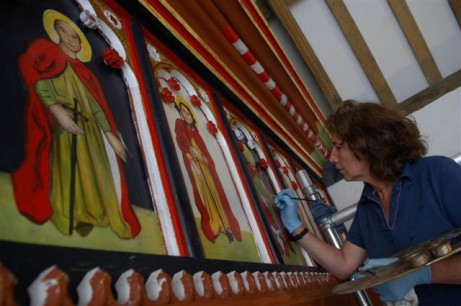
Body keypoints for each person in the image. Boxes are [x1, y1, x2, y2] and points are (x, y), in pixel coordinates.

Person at [275, 100, 461, 305]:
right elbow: (344, 265)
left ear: (368, 144)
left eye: (338, 147)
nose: (332, 158)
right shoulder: (368, 203)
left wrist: (423, 274)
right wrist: (296, 228)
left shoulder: (436, 173)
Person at [13, 9, 140, 238]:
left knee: (96, 171)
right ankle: (75, 216)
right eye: (68, 34)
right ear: (58, 33)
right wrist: (56, 109)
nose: (74, 40)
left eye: (76, 36)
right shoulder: (49, 60)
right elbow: (41, 85)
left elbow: (96, 105)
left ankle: (97, 214)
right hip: (65, 125)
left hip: (90, 129)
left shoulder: (84, 72)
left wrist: (110, 134)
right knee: (68, 167)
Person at [174, 97, 241, 243]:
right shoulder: (182, 130)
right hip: (196, 170)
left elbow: (205, 154)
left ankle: (225, 225)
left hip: (206, 169)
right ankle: (215, 225)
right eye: (183, 112)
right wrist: (194, 164)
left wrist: (204, 160)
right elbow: (184, 146)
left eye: (187, 112)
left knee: (215, 194)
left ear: (192, 115)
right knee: (205, 196)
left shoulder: (197, 134)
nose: (185, 115)